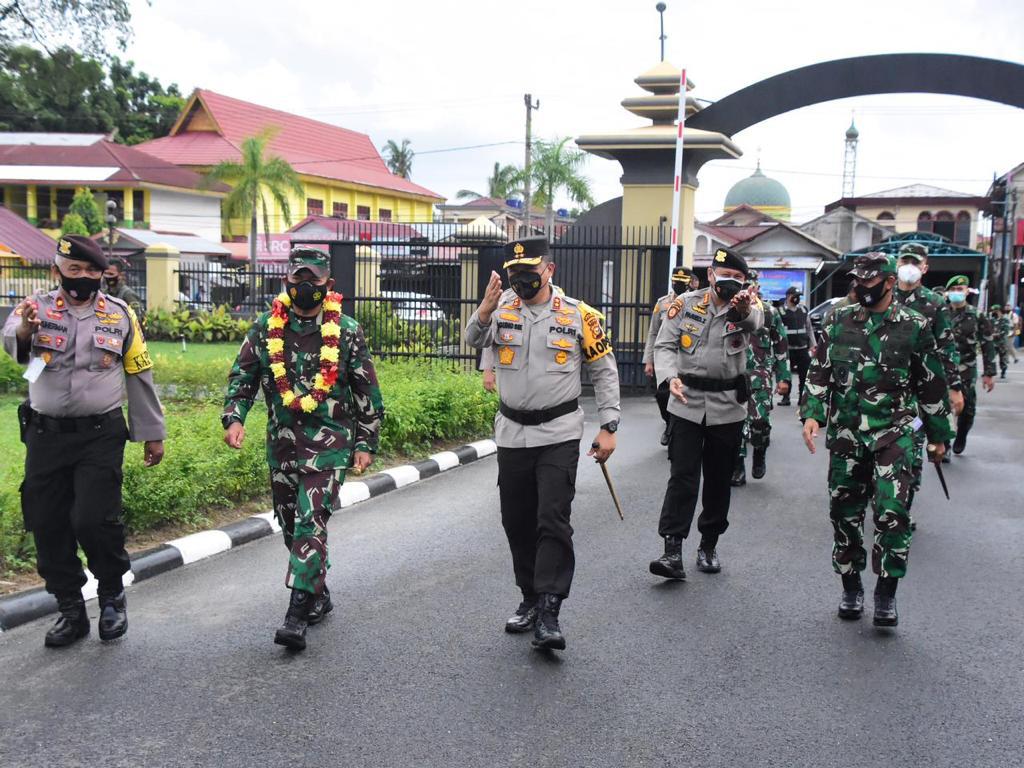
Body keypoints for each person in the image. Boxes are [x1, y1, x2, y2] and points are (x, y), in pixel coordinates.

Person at [2, 235, 166, 647]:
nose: (84, 278)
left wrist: (151, 433)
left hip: (100, 434)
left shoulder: (120, 314)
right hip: (45, 437)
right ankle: (71, 610)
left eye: (91, 271)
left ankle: (111, 596)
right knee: (47, 522)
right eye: (74, 270)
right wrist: (24, 330)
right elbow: (14, 348)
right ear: (57, 272)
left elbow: (138, 374)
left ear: (102, 274)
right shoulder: (33, 309)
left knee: (94, 519)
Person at [463, 236, 620, 653]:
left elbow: (604, 370)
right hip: (512, 433)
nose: (520, 281)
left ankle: (550, 609)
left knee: (552, 518)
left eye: (529, 273)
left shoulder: (578, 315)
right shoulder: (502, 310)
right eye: (514, 274)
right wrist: (483, 311)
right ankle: (530, 596)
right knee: (517, 520)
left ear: (549, 270)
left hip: (559, 432)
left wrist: (609, 424)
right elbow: (473, 341)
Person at [223, 247, 384, 651]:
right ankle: (318, 591)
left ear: (328, 285)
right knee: (290, 520)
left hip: (328, 446)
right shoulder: (265, 329)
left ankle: (296, 615)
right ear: (287, 284)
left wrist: (366, 441)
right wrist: (235, 417)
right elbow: (243, 375)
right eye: (299, 280)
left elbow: (366, 389)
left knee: (311, 523)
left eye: (313, 280)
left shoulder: (345, 330)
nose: (306, 287)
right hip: (282, 445)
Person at [800, 253, 953, 628]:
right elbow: (819, 372)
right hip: (848, 434)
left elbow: (931, 383)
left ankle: (886, 594)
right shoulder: (837, 320)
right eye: (859, 282)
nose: (862, 288)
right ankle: (851, 587)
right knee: (844, 514)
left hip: (895, 433)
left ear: (887, 283)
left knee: (892, 514)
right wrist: (812, 414)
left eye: (870, 283)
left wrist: (938, 436)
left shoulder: (914, 325)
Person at [649, 247, 763, 580]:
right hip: (685, 402)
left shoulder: (748, 306)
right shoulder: (683, 304)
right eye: (725, 276)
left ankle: (709, 544)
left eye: (738, 278)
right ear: (711, 275)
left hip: (727, 406)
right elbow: (665, 345)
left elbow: (755, 322)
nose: (730, 282)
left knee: (717, 480)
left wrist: (741, 311)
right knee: (682, 476)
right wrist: (669, 378)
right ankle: (672, 551)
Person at [892, 243, 963, 511]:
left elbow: (946, 349)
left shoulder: (934, 304)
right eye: (904, 260)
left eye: (915, 262)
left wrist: (954, 388)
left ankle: (902, 508)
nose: (909, 266)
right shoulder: (884, 296)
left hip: (919, 392)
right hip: (883, 388)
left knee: (912, 448)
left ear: (925, 268)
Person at [731, 269, 790, 486]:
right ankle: (737, 468)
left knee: (759, 422)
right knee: (736, 424)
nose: (748, 290)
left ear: (757, 288)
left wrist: (784, 379)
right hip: (735, 376)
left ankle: (759, 450)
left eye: (751, 286)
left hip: (760, 377)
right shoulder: (729, 311)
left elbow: (781, 346)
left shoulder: (769, 312)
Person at [644, 267, 697, 446]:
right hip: (665, 357)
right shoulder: (662, 303)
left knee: (681, 394)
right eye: (676, 281)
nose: (678, 285)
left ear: (689, 283)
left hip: (687, 357)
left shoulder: (697, 303)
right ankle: (669, 422)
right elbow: (653, 332)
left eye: (682, 282)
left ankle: (672, 429)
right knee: (662, 395)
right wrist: (649, 360)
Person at [946, 275, 996, 456]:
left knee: (967, 409)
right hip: (944, 367)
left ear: (967, 291)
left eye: (960, 290)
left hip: (966, 368)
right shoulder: (941, 313)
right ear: (947, 293)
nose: (957, 293)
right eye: (953, 290)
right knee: (943, 407)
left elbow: (987, 343)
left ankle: (961, 434)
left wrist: (989, 373)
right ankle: (944, 444)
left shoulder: (977, 315)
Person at [779, 285, 814, 405]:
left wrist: (812, 345)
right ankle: (785, 397)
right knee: (786, 374)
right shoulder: (781, 311)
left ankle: (802, 398)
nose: (797, 299)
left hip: (802, 348)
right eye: (795, 296)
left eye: (799, 297)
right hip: (788, 350)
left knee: (804, 375)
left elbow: (809, 329)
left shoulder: (804, 310)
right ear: (789, 297)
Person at [990, 305, 1011, 378]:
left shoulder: (1005, 320)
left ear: (1000, 312)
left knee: (1003, 358)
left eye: (997, 311)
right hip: (993, 342)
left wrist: (997, 334)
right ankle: (989, 372)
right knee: (991, 357)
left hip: (1002, 342)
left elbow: (1006, 331)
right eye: (994, 311)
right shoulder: (992, 320)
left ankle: (1003, 371)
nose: (995, 313)